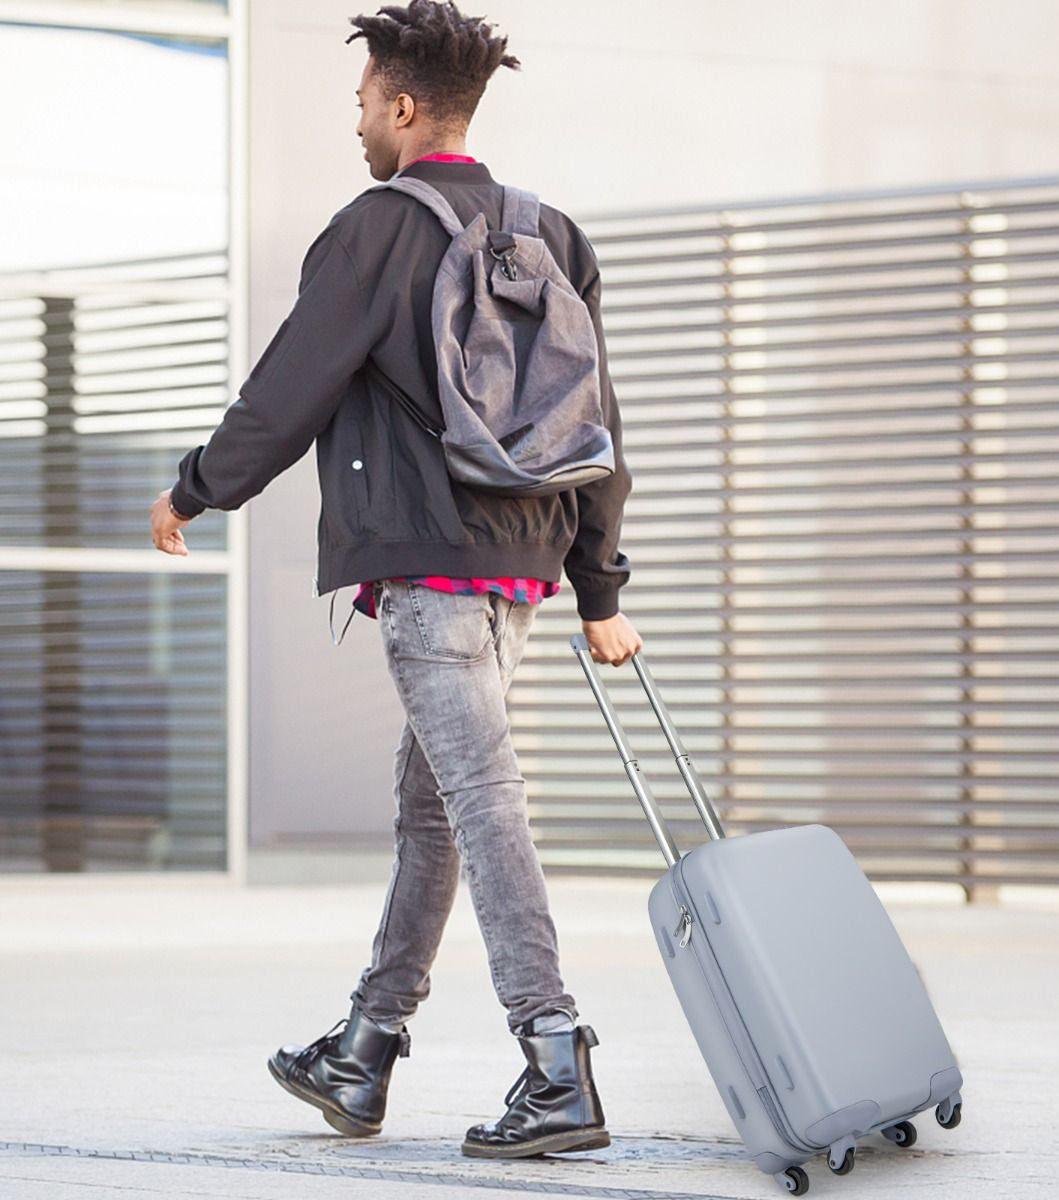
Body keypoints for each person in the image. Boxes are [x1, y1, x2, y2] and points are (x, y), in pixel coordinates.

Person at [149, 0, 640, 1161]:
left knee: (479, 799)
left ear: (406, 107)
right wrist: (599, 588)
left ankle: (555, 1054)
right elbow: (600, 427)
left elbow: (288, 390)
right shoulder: (552, 234)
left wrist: (193, 488)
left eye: (365, 102)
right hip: (518, 574)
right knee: (437, 807)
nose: (358, 122)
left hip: (427, 573)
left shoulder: (375, 230)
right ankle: (364, 1047)